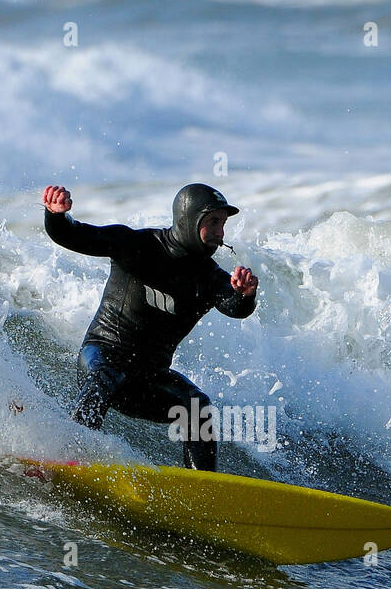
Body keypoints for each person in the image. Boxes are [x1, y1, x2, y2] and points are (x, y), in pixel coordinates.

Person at [42, 182, 259, 472]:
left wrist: (245, 294)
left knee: (197, 406)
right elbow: (73, 235)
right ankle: (67, 456)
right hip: (103, 356)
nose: (220, 232)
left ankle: (204, 487)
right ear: (188, 219)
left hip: (147, 379)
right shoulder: (136, 245)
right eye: (213, 222)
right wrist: (56, 216)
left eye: (223, 223)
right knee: (106, 374)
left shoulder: (209, 277)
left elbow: (234, 307)